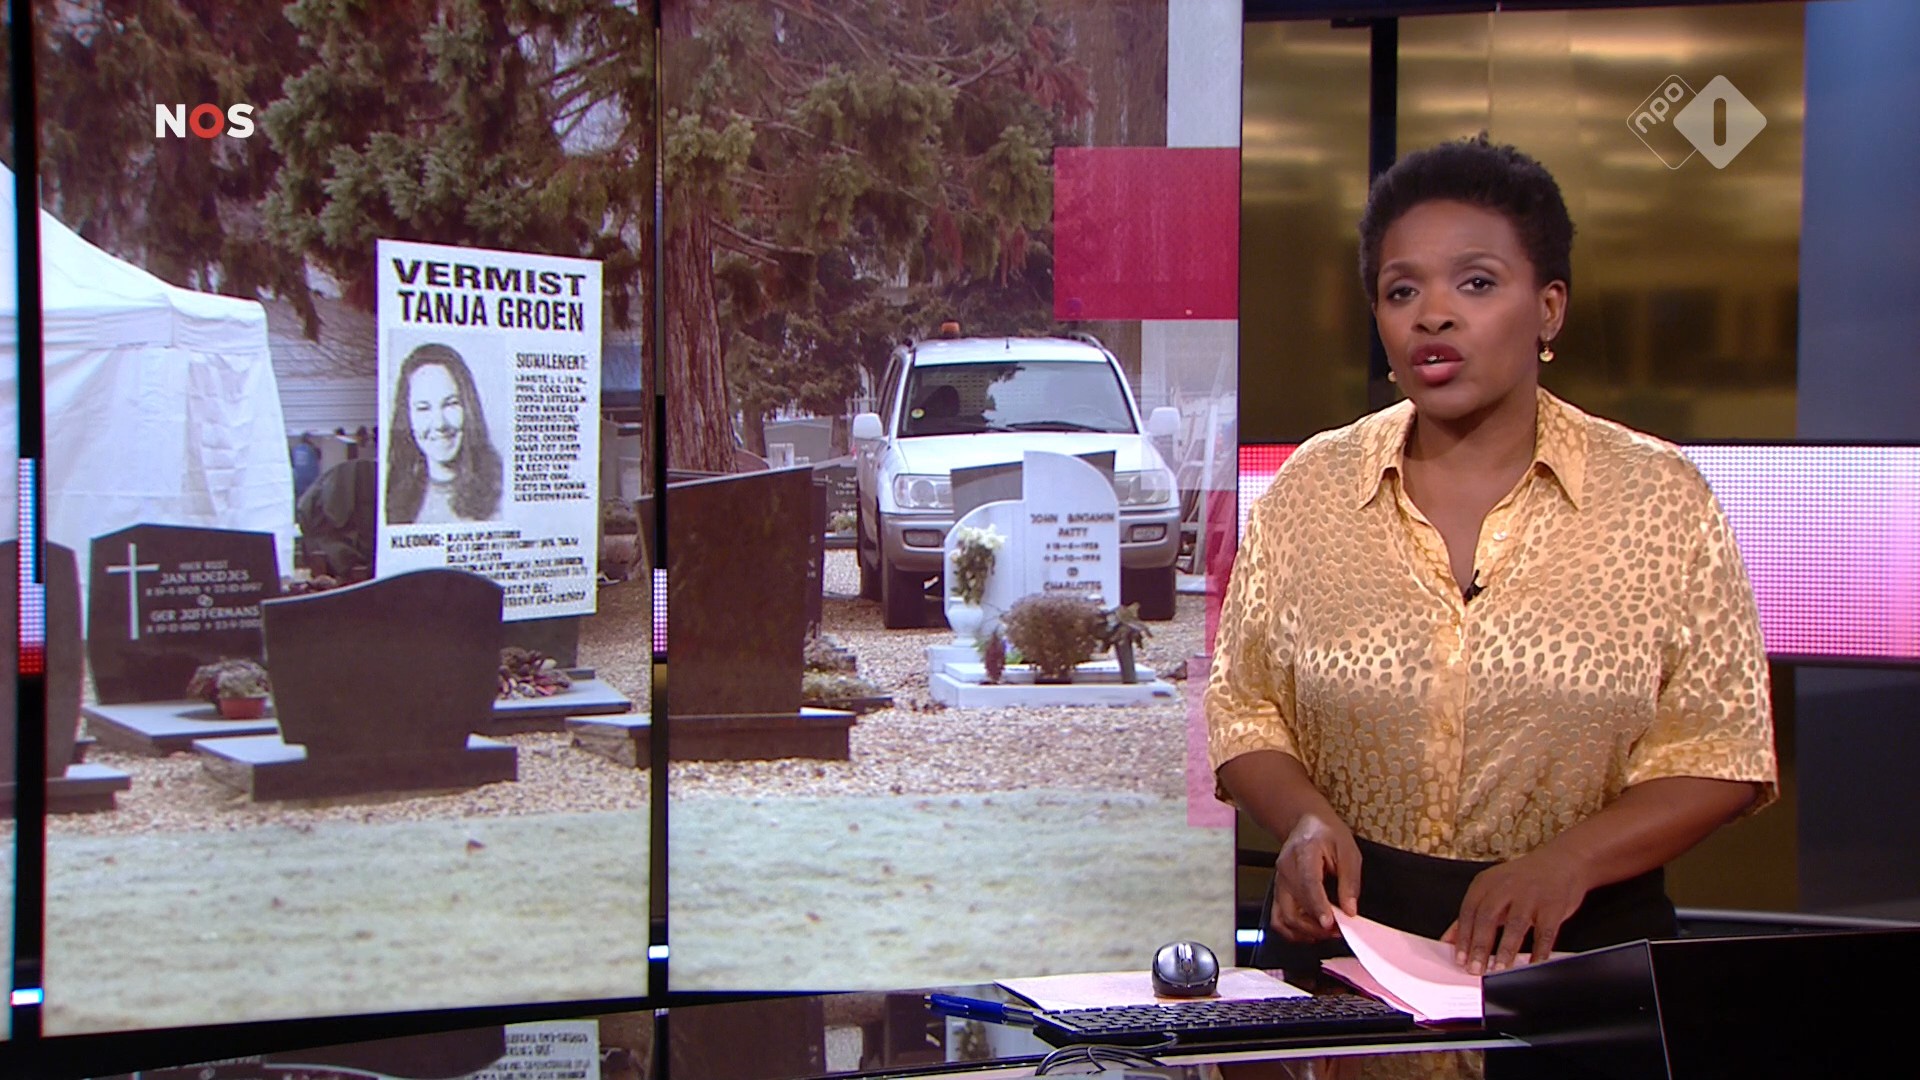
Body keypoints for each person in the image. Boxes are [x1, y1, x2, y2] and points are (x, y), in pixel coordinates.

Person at [1207, 135, 1777, 978]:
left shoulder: (1659, 498)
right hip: (1346, 945)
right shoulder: (1312, 489)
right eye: (1402, 290)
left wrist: (1568, 863)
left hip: (1581, 952)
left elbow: (1720, 750)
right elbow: (1245, 708)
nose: (1433, 315)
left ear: (1548, 309)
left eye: (1475, 283)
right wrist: (1303, 820)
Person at [385, 343, 503, 524]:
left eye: (450, 404)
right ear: (407, 416)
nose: (439, 423)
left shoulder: (503, 492)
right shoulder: (393, 498)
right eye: (423, 408)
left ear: (468, 407)